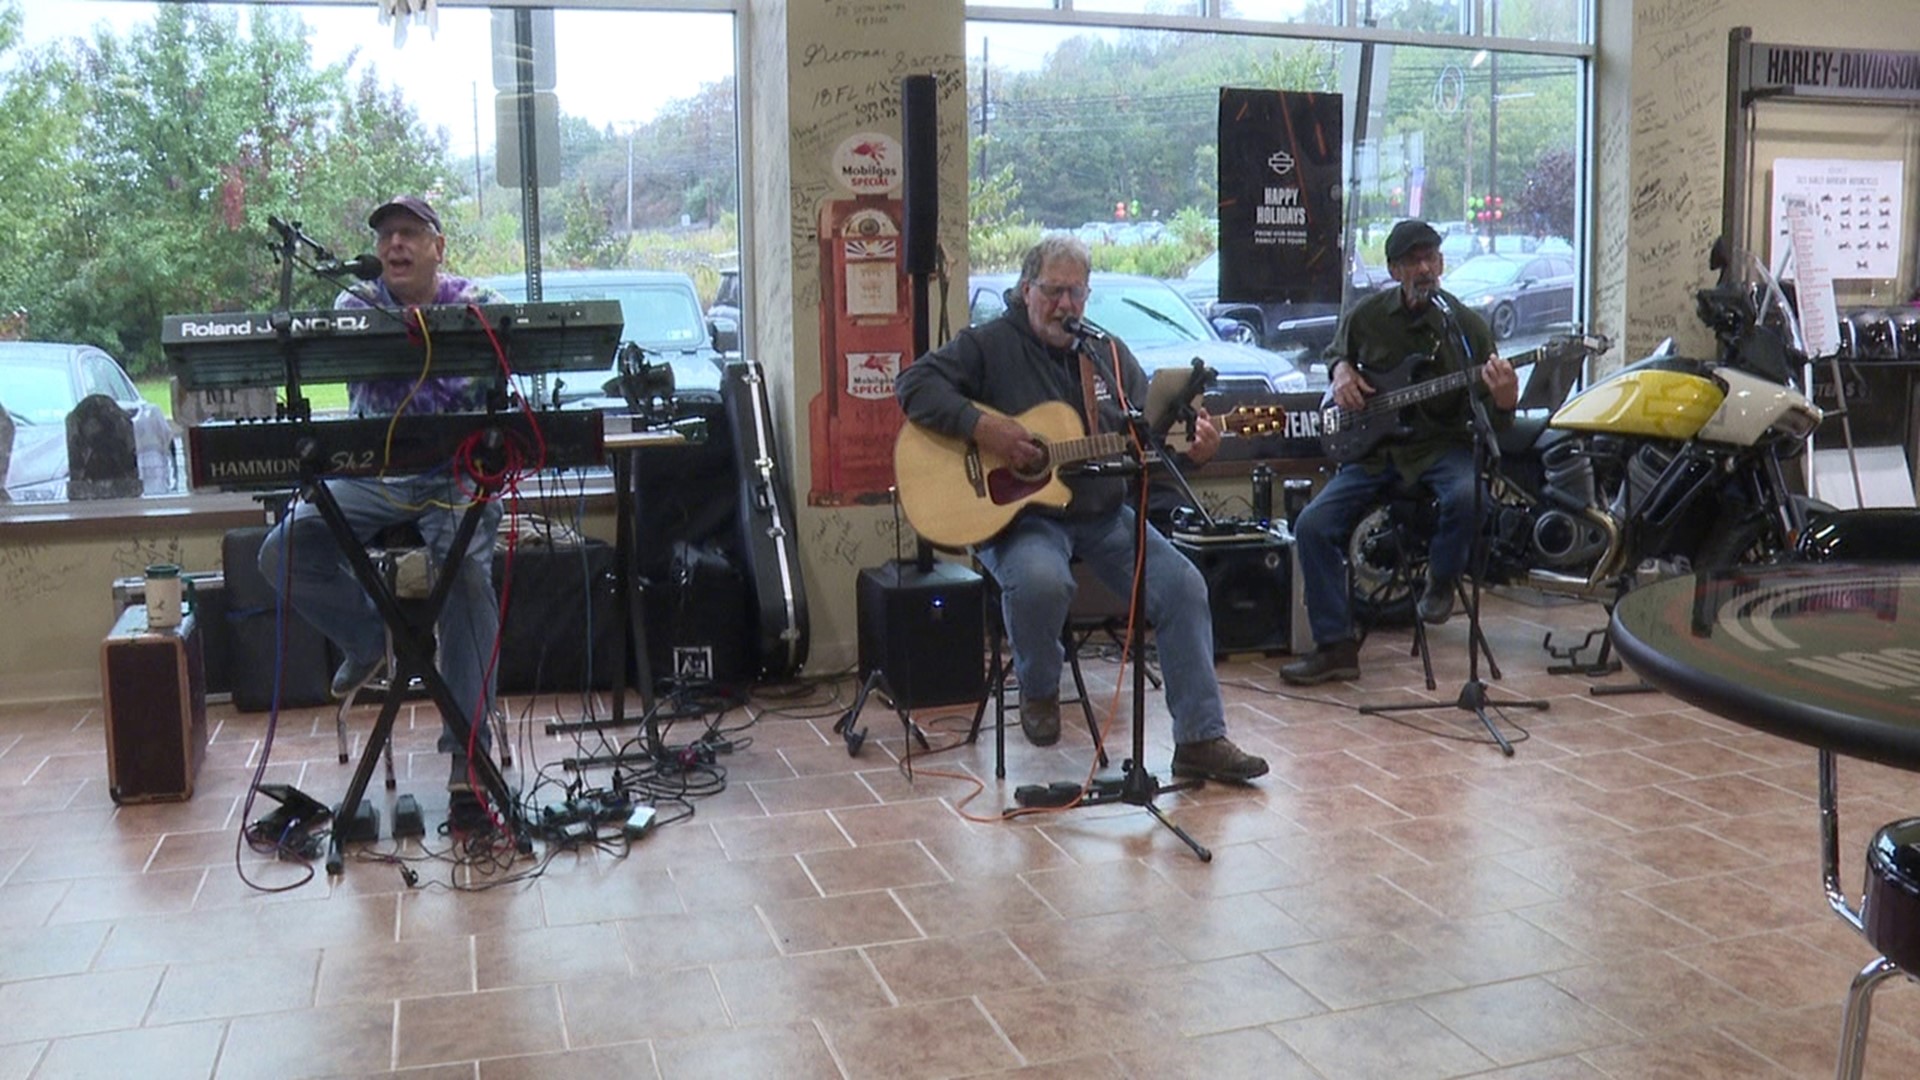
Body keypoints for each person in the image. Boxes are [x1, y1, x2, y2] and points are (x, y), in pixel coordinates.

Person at [895, 235, 1268, 783]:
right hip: (1018, 519)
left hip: (1100, 516)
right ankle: (1039, 690)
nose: (1065, 304)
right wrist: (987, 429)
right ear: (1026, 291)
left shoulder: (1107, 355)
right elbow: (912, 385)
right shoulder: (988, 345)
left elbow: (1153, 437)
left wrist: (1200, 447)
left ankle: (1199, 738)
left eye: (1076, 293)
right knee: (1043, 582)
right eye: (1053, 291)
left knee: (1184, 586)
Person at [257, 195, 505, 797]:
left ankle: (466, 748)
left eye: (410, 234)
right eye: (387, 236)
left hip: (453, 475)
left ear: (437, 249)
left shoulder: (477, 304)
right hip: (370, 475)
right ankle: (367, 638)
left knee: (467, 579)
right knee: (282, 551)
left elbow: (502, 371)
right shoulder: (356, 304)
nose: (395, 245)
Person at [1280, 219, 1518, 686]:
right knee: (1312, 525)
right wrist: (1341, 371)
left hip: (1438, 448)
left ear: (1442, 264)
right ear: (1394, 270)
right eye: (1413, 260)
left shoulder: (1465, 328)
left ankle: (1441, 583)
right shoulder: (1367, 316)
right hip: (1374, 454)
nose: (1425, 267)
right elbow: (1334, 353)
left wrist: (1507, 395)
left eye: (1431, 257)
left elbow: (1498, 416)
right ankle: (1335, 647)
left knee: (1470, 495)